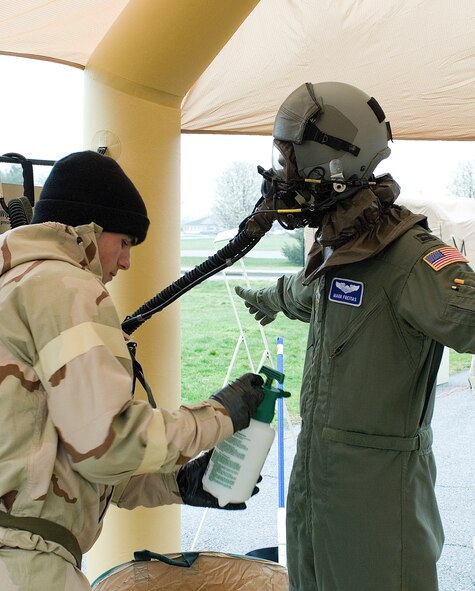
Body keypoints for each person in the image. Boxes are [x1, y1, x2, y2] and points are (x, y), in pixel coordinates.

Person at [235, 82, 475, 591]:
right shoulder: (342, 250)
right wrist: (268, 297)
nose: (282, 177)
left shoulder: (411, 260)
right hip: (316, 490)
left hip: (379, 505)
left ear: (330, 166)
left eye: (290, 161)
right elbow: (311, 293)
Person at [0, 150, 264, 591]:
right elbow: (107, 446)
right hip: (26, 566)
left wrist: (177, 483)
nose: (125, 263)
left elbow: (67, 455)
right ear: (88, 228)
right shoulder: (65, 285)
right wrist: (219, 415)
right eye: (123, 242)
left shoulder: (17, 283)